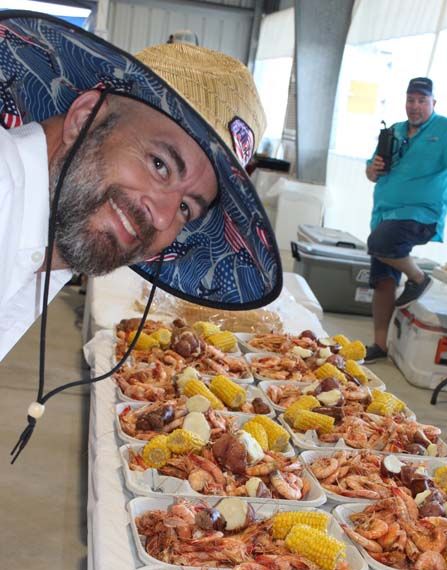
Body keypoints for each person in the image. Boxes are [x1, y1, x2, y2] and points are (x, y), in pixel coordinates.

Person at [0, 13, 282, 459]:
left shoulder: (49, 242)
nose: (163, 215)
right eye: (159, 164)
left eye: (188, 208)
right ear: (84, 117)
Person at [364, 76, 447, 363]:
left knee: (379, 243)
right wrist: (373, 169)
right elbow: (371, 170)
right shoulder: (395, 131)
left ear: (433, 103)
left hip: (421, 214)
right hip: (385, 213)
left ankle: (419, 278)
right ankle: (380, 345)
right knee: (382, 280)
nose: (415, 106)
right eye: (411, 100)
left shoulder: (445, 130)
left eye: (422, 101)